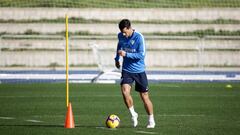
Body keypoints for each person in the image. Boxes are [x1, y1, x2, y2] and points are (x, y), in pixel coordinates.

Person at [114, 19, 155, 128]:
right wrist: (117, 59)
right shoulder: (121, 36)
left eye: (125, 32)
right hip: (127, 70)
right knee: (124, 91)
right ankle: (133, 114)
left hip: (139, 71)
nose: (123, 34)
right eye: (122, 32)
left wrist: (126, 54)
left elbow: (141, 55)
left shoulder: (139, 37)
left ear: (129, 28)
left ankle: (151, 119)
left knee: (144, 97)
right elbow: (119, 46)